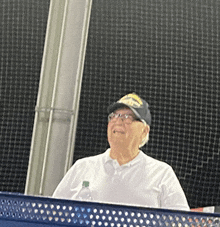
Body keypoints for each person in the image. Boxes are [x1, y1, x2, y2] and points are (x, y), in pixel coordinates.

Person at [52, 93, 190, 211]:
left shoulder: (161, 174)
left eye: (127, 117)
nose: (118, 121)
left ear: (144, 131)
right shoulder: (82, 167)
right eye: (114, 116)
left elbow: (182, 222)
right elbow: (52, 215)